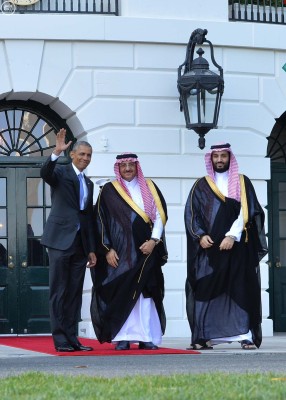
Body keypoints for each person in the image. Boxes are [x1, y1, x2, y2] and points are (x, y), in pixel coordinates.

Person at [184, 143, 268, 351]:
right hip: (209, 249)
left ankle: (245, 335)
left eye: (223, 156)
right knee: (205, 288)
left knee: (241, 288)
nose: (220, 160)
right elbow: (191, 214)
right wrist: (200, 236)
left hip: (238, 247)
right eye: (216, 156)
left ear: (230, 158)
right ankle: (204, 336)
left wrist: (232, 235)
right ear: (210, 159)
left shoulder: (242, 181)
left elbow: (247, 211)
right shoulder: (201, 185)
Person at [91, 153, 168, 350]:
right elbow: (100, 221)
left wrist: (154, 240)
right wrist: (107, 249)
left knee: (145, 292)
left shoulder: (149, 187)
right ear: (118, 168)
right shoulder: (109, 190)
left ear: (136, 166)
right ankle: (123, 336)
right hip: (121, 252)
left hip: (146, 250)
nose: (127, 169)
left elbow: (160, 216)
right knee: (122, 292)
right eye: (123, 165)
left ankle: (145, 337)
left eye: (130, 165)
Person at [41, 129, 97, 352]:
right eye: (81, 154)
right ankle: (61, 340)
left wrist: (91, 249)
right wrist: (55, 152)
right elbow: (45, 173)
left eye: (89, 155)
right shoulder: (61, 172)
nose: (85, 158)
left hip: (80, 245)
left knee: (74, 294)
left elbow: (88, 217)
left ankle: (73, 339)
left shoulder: (89, 183)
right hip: (59, 241)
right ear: (72, 154)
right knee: (59, 292)